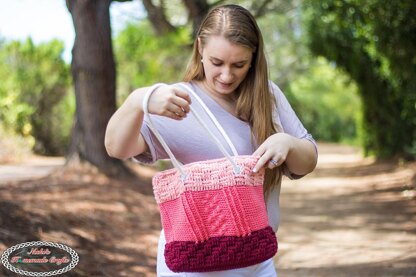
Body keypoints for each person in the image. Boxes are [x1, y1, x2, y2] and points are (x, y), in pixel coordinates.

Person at [105, 4, 317, 277]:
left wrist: (287, 142)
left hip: (257, 258)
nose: (227, 76)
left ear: (253, 59)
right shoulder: (176, 101)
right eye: (217, 63)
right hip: (195, 262)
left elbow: (308, 161)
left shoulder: (267, 95)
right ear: (200, 50)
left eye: (239, 64)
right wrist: (138, 101)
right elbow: (115, 147)